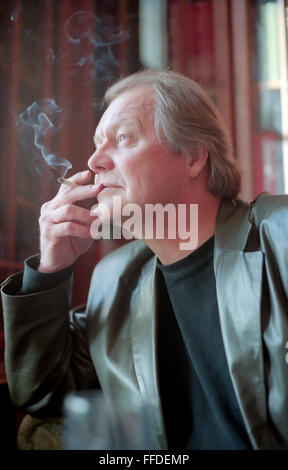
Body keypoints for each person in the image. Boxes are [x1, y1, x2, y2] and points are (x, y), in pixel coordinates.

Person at [1, 70, 288, 450]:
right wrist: (51, 272)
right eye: (96, 145)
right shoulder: (115, 280)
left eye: (122, 139)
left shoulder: (278, 236)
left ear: (193, 156)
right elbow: (40, 394)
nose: (95, 161)